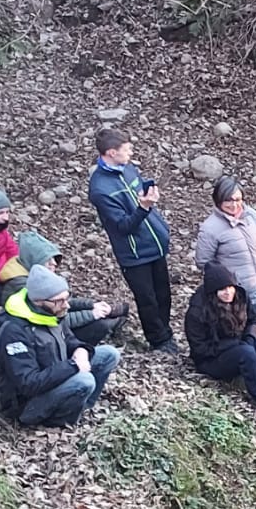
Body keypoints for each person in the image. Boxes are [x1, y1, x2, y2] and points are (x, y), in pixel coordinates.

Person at [0, 266, 122, 427]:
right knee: (84, 380)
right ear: (39, 301)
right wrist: (73, 366)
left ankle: (82, 408)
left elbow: (70, 340)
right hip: (27, 403)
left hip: (55, 375)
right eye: (59, 301)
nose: (66, 305)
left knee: (109, 354)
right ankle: (58, 422)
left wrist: (80, 350)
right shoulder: (14, 331)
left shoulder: (50, 314)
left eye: (67, 298)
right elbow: (28, 383)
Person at [87, 128, 176, 352]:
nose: (131, 153)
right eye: (126, 149)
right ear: (111, 153)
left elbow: (138, 189)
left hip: (155, 243)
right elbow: (122, 226)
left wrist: (148, 196)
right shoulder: (100, 189)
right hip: (134, 254)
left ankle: (166, 334)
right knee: (147, 299)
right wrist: (144, 208)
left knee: (163, 293)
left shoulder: (128, 168)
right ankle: (159, 341)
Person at [184, 263, 256, 413]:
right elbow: (200, 349)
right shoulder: (197, 312)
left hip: (240, 343)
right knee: (246, 354)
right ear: (213, 292)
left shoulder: (241, 297)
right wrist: (234, 345)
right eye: (222, 289)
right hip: (212, 358)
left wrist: (250, 338)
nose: (228, 292)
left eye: (230, 287)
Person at [194, 176, 256, 336]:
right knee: (249, 335)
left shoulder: (252, 216)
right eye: (228, 200)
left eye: (238, 199)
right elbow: (203, 262)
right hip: (238, 294)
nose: (234, 205)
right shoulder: (210, 228)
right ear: (218, 200)